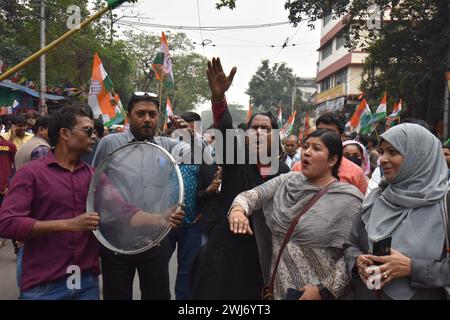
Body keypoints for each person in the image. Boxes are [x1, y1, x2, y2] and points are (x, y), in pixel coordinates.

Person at [0, 103, 183, 300]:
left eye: (94, 131)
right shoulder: (32, 173)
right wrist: (69, 224)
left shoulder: (94, 177)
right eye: (87, 130)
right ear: (65, 133)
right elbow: (7, 223)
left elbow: (125, 213)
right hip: (44, 285)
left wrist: (161, 218)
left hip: (86, 283)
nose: (94, 135)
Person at [189, 57, 290, 299]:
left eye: (266, 128)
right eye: (254, 127)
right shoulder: (235, 160)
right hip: (223, 254)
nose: (259, 132)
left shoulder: (285, 174)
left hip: (260, 260)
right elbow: (223, 128)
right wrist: (218, 98)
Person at [227, 129, 364, 300]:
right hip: (279, 288)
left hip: (318, 292)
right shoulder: (287, 181)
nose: (307, 152)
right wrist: (238, 211)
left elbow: (354, 252)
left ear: (333, 160)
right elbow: (251, 196)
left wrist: (323, 290)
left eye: (316, 148)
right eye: (306, 146)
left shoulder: (348, 199)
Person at [92, 92, 190, 300]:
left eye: (152, 114)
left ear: (158, 118)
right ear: (129, 117)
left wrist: (190, 134)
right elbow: (94, 185)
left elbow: (201, 152)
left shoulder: (168, 146)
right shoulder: (109, 144)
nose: (147, 119)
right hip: (115, 240)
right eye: (141, 113)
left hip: (155, 239)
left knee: (158, 295)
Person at [344, 123, 450, 300]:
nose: (383, 159)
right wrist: (357, 261)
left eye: (392, 152)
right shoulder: (376, 198)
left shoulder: (445, 203)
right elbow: (351, 245)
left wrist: (411, 268)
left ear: (418, 156)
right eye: (382, 151)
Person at [168, 111, 208, 300]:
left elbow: (213, 181)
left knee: (186, 271)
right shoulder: (166, 147)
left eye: (191, 131)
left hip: (193, 221)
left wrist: (204, 211)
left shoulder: (205, 151)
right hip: (165, 220)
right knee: (156, 268)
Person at [292, 114, 368, 194]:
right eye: (319, 130)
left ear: (341, 137)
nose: (322, 135)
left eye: (329, 132)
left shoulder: (356, 173)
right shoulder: (297, 168)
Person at [0, 135, 16, 250]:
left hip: (4, 186)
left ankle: (16, 243)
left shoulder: (8, 145)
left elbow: (15, 165)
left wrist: (10, 183)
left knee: (8, 214)